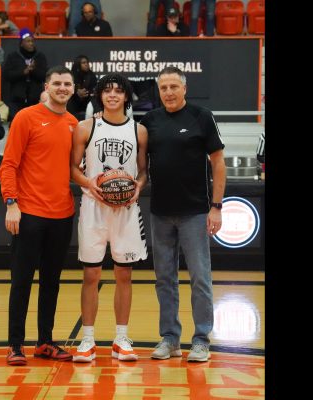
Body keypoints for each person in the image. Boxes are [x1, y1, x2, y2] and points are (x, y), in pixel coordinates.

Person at [140, 66, 226, 362]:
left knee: (200, 278)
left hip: (195, 213)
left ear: (184, 88)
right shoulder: (149, 121)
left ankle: (201, 339)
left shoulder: (202, 117)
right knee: (165, 278)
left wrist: (216, 207)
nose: (169, 92)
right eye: (163, 88)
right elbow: (141, 166)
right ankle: (170, 338)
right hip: (160, 213)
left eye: (174, 86)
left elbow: (218, 163)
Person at [0, 65, 78, 366]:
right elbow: (9, 165)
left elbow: (74, 167)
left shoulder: (73, 122)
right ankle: (15, 345)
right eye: (57, 83)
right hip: (29, 213)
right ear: (46, 86)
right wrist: (11, 203)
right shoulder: (26, 117)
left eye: (67, 84)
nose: (62, 88)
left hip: (62, 214)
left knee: (51, 282)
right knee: (21, 281)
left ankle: (45, 341)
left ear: (73, 89)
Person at [70, 73, 148, 363]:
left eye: (118, 91)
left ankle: (121, 338)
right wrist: (91, 184)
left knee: (123, 274)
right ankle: (87, 340)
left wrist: (137, 187)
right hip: (93, 208)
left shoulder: (139, 131)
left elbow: (142, 171)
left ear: (126, 96)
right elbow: (73, 169)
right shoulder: (85, 127)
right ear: (100, 95)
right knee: (90, 274)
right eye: (107, 91)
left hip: (126, 210)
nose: (112, 95)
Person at [1, 28, 48, 122]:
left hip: (35, 99)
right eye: (28, 41)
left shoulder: (40, 56)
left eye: (32, 41)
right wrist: (23, 72)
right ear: (21, 43)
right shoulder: (13, 56)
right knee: (16, 124)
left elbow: (44, 76)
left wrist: (33, 70)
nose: (31, 43)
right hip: (17, 99)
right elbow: (7, 75)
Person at [67, 55, 98, 120]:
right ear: (78, 64)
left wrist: (86, 93)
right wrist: (76, 92)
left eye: (87, 62)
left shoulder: (91, 75)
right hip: (73, 103)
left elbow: (94, 89)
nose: (86, 64)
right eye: (83, 63)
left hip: (87, 102)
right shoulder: (71, 75)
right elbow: (66, 88)